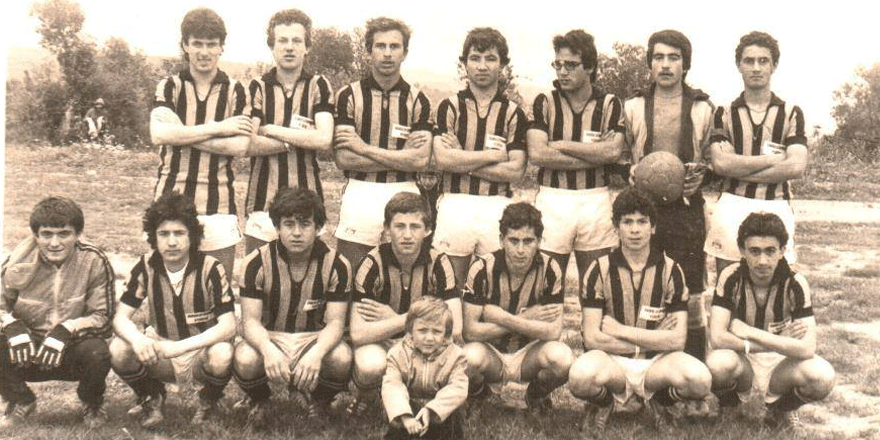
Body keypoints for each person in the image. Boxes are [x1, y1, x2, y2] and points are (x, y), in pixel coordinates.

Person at [568, 188, 711, 433]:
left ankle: (660, 401)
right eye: (627, 222)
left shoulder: (671, 270)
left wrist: (618, 330)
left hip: (655, 365)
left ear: (653, 227)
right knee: (580, 378)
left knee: (700, 380)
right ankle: (605, 402)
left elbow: (678, 340)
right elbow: (592, 338)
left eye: (642, 222)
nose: (635, 230)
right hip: (613, 363)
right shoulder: (598, 269)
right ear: (616, 227)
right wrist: (656, 338)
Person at [623, 29, 714, 363]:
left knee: (691, 293)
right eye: (658, 57)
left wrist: (702, 175)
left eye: (673, 58)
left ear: (685, 64)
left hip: (686, 210)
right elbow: (617, 154)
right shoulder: (633, 105)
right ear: (649, 63)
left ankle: (694, 371)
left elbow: (714, 159)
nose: (665, 65)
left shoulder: (703, 107)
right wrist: (629, 170)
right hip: (642, 209)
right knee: (643, 284)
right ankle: (643, 369)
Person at [110, 192, 236, 428]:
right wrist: (138, 340)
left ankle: (209, 400)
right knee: (119, 349)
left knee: (223, 353)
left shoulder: (210, 267)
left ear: (192, 236)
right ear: (153, 237)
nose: (171, 242)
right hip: (160, 350)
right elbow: (120, 318)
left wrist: (179, 347)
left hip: (199, 351)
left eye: (179, 233)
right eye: (163, 234)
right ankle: (151, 396)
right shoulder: (145, 265)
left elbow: (228, 326)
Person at [233, 187, 352, 424]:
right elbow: (250, 322)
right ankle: (259, 398)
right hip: (271, 335)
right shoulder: (255, 262)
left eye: (305, 224)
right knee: (245, 358)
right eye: (288, 224)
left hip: (313, 337)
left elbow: (336, 323)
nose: (296, 233)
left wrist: (317, 352)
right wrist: (267, 349)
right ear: (277, 227)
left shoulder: (337, 264)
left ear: (318, 227)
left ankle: (320, 401)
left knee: (342, 357)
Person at [150, 7, 252, 279]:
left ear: (221, 47)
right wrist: (220, 127)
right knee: (168, 289)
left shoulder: (236, 90)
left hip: (219, 206)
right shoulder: (169, 86)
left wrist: (181, 133)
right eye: (197, 44)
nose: (204, 52)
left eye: (211, 44)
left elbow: (241, 147)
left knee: (216, 290)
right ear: (185, 45)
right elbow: (159, 134)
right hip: (169, 201)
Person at [707, 212, 835, 430]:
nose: (762, 261)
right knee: (717, 364)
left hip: (781, 363)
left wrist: (751, 332)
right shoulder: (730, 276)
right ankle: (730, 406)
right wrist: (778, 340)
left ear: (783, 250)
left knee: (822, 377)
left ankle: (781, 409)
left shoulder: (795, 282)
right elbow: (717, 338)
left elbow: (807, 349)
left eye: (770, 251)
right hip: (744, 357)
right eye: (754, 251)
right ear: (742, 250)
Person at [0, 197, 115, 428]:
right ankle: (20, 399)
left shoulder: (94, 260)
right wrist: (10, 324)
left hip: (70, 348)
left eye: (64, 234)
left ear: (78, 234)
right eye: (47, 234)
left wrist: (67, 329)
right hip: (27, 349)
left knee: (97, 352)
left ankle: (91, 402)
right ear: (36, 235)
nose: (55, 243)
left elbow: (103, 317)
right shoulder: (18, 260)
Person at [526, 30, 626, 288]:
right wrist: (596, 155)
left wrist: (561, 145)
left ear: (590, 67)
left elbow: (613, 153)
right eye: (558, 64)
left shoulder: (610, 103)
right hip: (553, 198)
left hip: (595, 199)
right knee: (546, 284)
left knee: (596, 286)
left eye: (571, 65)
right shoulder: (545, 101)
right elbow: (537, 154)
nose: (562, 72)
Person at [333, 17, 433, 269]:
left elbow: (420, 160)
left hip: (405, 190)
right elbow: (344, 158)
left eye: (394, 46)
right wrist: (402, 156)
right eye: (380, 46)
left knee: (404, 275)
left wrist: (363, 148)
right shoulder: (348, 95)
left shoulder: (419, 100)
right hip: (360, 190)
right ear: (369, 51)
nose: (387, 53)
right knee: (351, 273)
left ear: (405, 52)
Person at [348, 192, 461, 416]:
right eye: (399, 226)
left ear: (427, 230)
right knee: (370, 364)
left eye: (415, 227)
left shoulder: (439, 262)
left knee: (456, 354)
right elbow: (358, 334)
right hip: (384, 343)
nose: (407, 235)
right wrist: (420, 317)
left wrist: (401, 318)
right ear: (386, 229)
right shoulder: (371, 263)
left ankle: (423, 400)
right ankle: (369, 395)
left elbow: (456, 328)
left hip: (424, 341)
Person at [705, 31, 808, 274]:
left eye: (763, 61)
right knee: (728, 282)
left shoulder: (791, 112)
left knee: (779, 284)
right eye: (749, 61)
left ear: (774, 65)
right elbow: (721, 164)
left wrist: (737, 166)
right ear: (739, 65)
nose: (756, 68)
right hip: (732, 204)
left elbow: (796, 167)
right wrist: (773, 160)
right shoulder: (723, 113)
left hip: (776, 204)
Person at [461, 202, 573, 426]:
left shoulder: (550, 268)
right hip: (491, 353)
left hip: (528, 355)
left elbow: (553, 332)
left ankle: (536, 395)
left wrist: (503, 317)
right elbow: (470, 332)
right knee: (467, 359)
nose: (520, 250)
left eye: (528, 241)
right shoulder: (481, 267)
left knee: (562, 358)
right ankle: (478, 395)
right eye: (513, 241)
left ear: (539, 241)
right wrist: (528, 317)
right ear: (501, 240)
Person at [432, 27, 527, 287]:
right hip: (455, 202)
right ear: (464, 64)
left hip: (497, 205)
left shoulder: (513, 113)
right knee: (449, 285)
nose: (482, 66)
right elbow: (442, 160)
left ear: (503, 65)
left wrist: (462, 158)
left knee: (493, 286)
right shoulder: (449, 106)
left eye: (490, 59)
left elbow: (516, 171)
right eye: (475, 58)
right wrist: (494, 155)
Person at [244, 9, 335, 254]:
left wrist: (271, 129)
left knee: (308, 275)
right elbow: (248, 144)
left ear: (307, 47)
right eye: (282, 40)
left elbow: (324, 139)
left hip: (308, 203)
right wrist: (299, 139)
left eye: (297, 40)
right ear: (271, 46)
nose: (289, 47)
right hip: (262, 204)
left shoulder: (318, 85)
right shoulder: (257, 86)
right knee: (258, 274)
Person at [382, 296, 468, 440]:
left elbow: (458, 388)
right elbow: (392, 385)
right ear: (410, 331)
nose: (429, 338)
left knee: (453, 415)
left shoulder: (456, 356)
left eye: (437, 332)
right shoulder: (397, 353)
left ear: (446, 334)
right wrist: (405, 415)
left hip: (440, 412)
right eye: (422, 330)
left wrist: (431, 410)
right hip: (408, 410)